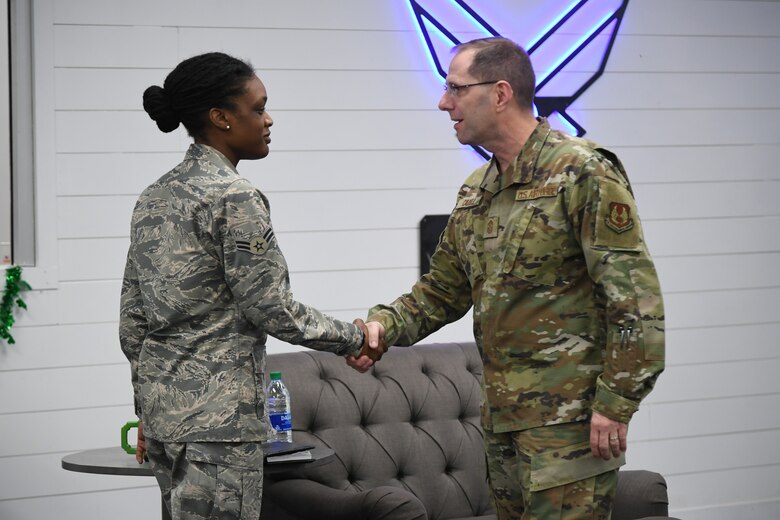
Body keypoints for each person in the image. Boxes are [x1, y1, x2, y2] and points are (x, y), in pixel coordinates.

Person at [349, 37, 665, 519]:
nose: (443, 102)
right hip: (501, 423)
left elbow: (633, 302)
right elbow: (442, 291)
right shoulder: (478, 190)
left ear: (499, 93)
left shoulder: (582, 172)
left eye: (455, 88)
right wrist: (381, 328)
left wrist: (617, 401)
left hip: (570, 425)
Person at [119, 52, 379, 520]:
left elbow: (133, 321)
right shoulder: (234, 195)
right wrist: (355, 337)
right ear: (221, 117)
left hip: (165, 424)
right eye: (258, 109)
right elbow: (271, 307)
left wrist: (147, 411)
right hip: (220, 426)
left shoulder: (153, 197)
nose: (268, 119)